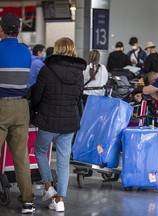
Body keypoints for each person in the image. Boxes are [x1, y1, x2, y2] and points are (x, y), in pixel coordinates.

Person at [31, 37, 86, 212]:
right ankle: (60, 200)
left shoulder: (47, 69)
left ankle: (48, 186)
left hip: (48, 120)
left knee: (40, 150)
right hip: (69, 122)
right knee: (63, 161)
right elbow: (78, 98)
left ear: (57, 49)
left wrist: (35, 110)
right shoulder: (79, 73)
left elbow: (37, 95)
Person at [0, 13, 35, 214]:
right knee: (21, 157)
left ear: (1, 29)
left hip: (1, 106)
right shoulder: (26, 51)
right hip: (22, 107)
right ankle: (27, 201)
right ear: (18, 30)